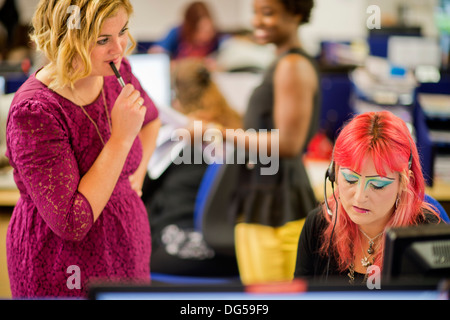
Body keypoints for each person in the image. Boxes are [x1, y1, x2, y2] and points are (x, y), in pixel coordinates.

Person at [5, 0, 160, 298]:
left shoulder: (118, 71)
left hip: (126, 245)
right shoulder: (35, 111)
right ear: (68, 40)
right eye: (103, 39)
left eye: (123, 31)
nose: (119, 48)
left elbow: (150, 120)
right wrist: (121, 139)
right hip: (63, 262)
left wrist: (137, 177)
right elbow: (71, 223)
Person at [226, 0, 320, 285]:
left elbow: (288, 144)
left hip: (279, 209)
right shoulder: (280, 62)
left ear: (295, 13)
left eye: (267, 13)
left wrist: (216, 134)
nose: (258, 21)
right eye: (255, 12)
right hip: (263, 201)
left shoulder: (292, 65)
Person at [294, 111, 442, 284]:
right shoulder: (318, 226)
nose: (359, 197)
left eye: (377, 185)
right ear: (333, 173)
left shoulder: (429, 236)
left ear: (404, 182)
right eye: (350, 179)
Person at [142, 58, 241, 277]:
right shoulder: (236, 128)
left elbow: (140, 190)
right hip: (231, 253)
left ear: (175, 97)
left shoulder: (176, 136)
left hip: (177, 250)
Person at [147, 1, 226, 64]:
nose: (206, 36)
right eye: (201, 30)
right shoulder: (177, 33)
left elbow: (233, 47)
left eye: (210, 30)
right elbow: (154, 52)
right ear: (190, 28)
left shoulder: (217, 38)